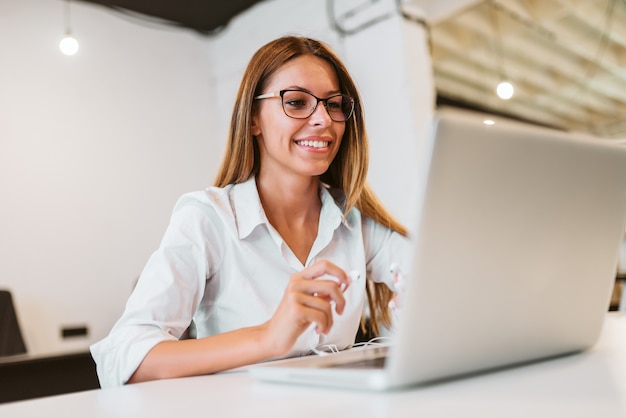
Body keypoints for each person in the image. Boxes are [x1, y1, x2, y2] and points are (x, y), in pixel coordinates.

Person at [90, 35, 408, 388]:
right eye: (297, 102)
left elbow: (440, 280)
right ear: (254, 119)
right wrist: (269, 336)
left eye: (334, 105)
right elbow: (124, 357)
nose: (323, 119)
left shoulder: (353, 220)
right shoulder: (207, 218)